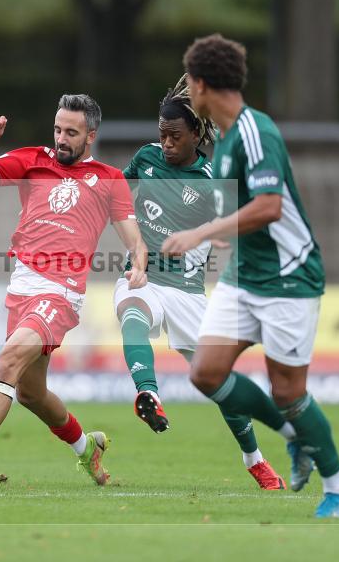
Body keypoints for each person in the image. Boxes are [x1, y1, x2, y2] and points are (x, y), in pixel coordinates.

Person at [162, 34, 339, 518]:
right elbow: (243, 210)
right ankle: (297, 437)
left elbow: (269, 208)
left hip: (289, 278)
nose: (187, 89)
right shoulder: (226, 139)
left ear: (203, 83)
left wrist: (202, 232)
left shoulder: (256, 132)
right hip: (243, 275)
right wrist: (225, 235)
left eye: (190, 81)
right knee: (206, 372)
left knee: (288, 391)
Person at [0, 94, 147, 490]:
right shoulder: (32, 160)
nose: (62, 139)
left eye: (72, 133)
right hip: (21, 288)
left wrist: (139, 264)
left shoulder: (109, 179)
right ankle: (87, 448)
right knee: (31, 393)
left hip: (61, 293)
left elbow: (135, 239)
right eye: (58, 130)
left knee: (6, 364)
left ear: (91, 136)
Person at [115, 75, 293, 490]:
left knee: (219, 383)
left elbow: (244, 228)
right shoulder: (146, 158)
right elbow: (116, 199)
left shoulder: (215, 181)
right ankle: (148, 394)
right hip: (143, 276)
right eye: (161, 133)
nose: (166, 142)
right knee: (132, 309)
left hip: (188, 293)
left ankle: (255, 461)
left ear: (197, 133)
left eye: (174, 135)